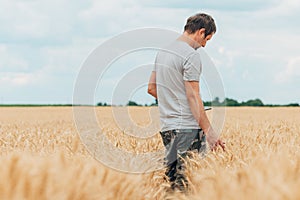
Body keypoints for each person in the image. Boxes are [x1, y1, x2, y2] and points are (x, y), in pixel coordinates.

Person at [147, 13, 225, 192]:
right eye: (207, 39)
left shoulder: (163, 52)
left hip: (168, 127)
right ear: (201, 32)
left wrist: (173, 100)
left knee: (173, 185)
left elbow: (151, 88)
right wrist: (210, 132)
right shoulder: (191, 55)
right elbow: (193, 96)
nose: (205, 45)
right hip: (188, 129)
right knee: (189, 187)